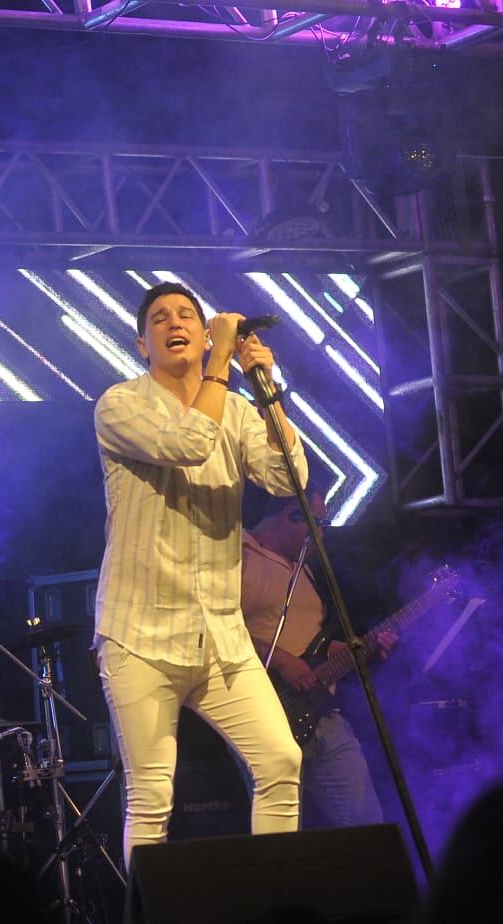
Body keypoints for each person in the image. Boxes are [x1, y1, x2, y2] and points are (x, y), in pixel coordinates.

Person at [92, 281, 308, 863]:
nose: (175, 321)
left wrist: (266, 391)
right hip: (139, 634)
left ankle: (277, 903)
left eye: (186, 313)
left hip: (219, 634)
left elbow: (290, 481)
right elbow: (188, 443)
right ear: (144, 343)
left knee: (281, 760)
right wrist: (219, 363)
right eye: (160, 318)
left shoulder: (238, 410)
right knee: (152, 794)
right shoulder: (120, 405)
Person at [242, 486, 392, 828]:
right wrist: (281, 659)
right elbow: (217, 629)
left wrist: (353, 651)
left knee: (367, 826)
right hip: (266, 712)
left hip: (323, 715)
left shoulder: (304, 570)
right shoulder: (241, 554)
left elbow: (314, 643)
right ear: (290, 515)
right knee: (280, 829)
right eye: (317, 522)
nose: (321, 533)